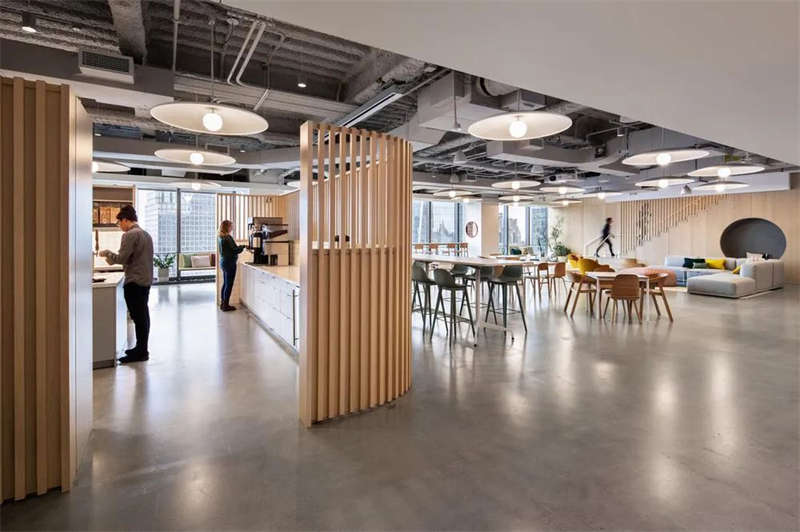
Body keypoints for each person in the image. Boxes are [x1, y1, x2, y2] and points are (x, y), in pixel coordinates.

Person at [99, 205, 154, 364]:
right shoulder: (146, 234)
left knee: (138, 317)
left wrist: (107, 253)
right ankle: (141, 348)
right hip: (145, 280)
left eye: (119, 223)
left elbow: (121, 259)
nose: (119, 226)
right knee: (143, 316)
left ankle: (141, 352)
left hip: (134, 281)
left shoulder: (130, 235)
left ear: (125, 220)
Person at [218, 220, 245, 311]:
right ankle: (226, 306)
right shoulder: (228, 237)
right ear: (227, 227)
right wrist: (242, 247)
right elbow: (235, 250)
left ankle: (223, 303)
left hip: (224, 262)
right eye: (231, 226)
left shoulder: (220, 237)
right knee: (229, 284)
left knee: (225, 283)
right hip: (229, 263)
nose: (232, 228)